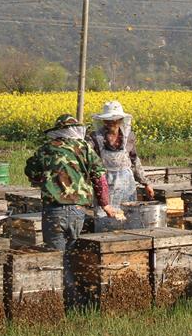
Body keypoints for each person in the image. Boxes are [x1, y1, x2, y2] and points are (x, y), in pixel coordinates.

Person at [25, 115, 125, 302]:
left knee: (57, 260)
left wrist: (45, 180)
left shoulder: (46, 149)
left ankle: (66, 303)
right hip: (78, 211)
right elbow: (100, 177)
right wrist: (106, 205)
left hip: (54, 212)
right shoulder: (85, 148)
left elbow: (31, 171)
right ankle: (77, 301)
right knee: (71, 257)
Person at [87, 100, 153, 231]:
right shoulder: (95, 138)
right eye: (108, 120)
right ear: (104, 121)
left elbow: (134, 160)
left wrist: (146, 183)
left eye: (115, 120)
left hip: (126, 183)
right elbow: (88, 163)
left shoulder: (128, 136)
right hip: (105, 182)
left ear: (121, 120)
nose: (112, 123)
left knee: (129, 216)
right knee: (104, 218)